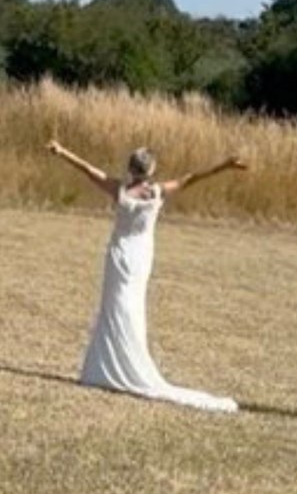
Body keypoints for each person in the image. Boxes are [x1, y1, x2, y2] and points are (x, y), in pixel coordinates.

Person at [47, 139, 247, 412]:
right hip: (139, 256)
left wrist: (62, 152)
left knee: (115, 306)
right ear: (151, 169)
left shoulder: (120, 189)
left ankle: (109, 365)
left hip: (120, 255)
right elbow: (191, 178)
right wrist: (223, 166)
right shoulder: (157, 192)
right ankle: (115, 363)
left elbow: (89, 170)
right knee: (128, 306)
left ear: (131, 168)